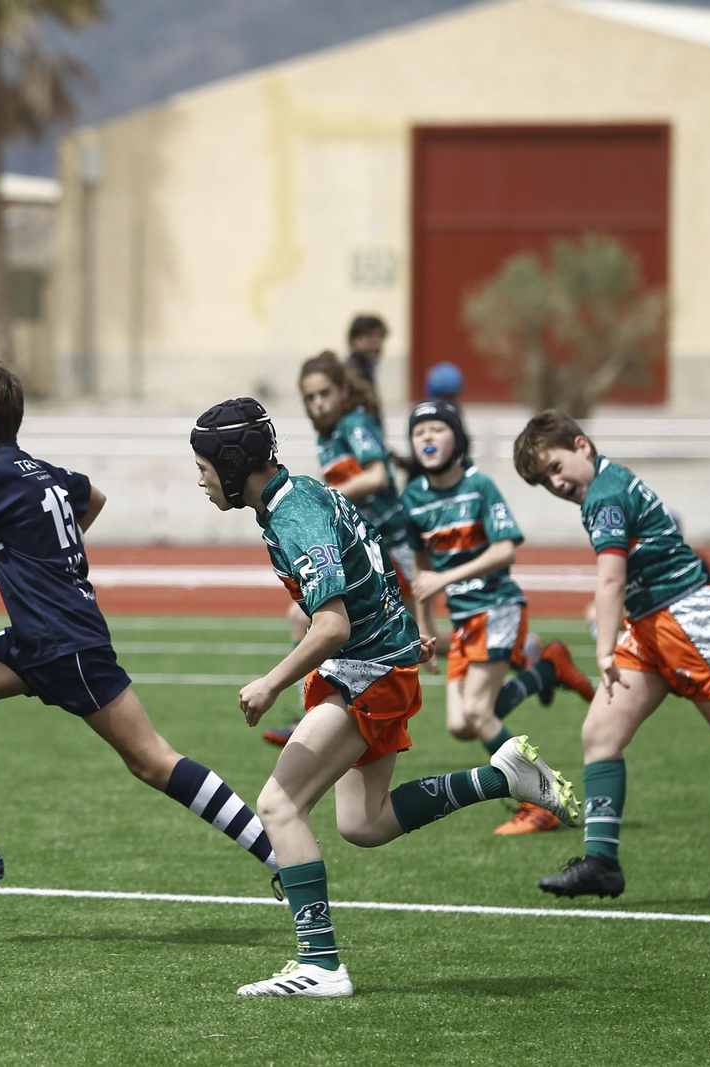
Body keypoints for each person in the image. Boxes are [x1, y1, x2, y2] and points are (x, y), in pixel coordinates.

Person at [191, 397, 579, 997]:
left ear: (234, 462)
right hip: (378, 665)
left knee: (278, 806)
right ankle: (502, 778)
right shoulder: (304, 494)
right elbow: (374, 561)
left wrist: (272, 683)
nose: (200, 479)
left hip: (365, 672)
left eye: (205, 466)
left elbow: (331, 626)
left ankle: (320, 963)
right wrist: (403, 630)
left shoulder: (295, 515)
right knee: (363, 824)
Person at [0, 353, 280, 896]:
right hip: (36, 639)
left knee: (152, 760)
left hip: (66, 645)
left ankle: (280, 857)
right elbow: (92, 497)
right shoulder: (30, 466)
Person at [513, 410, 710, 898]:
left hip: (683, 620)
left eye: (554, 468)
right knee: (599, 733)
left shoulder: (604, 495)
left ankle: (601, 862)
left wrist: (602, 648)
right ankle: (601, 864)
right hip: (650, 624)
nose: (553, 484)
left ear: (581, 445)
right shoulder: (605, 485)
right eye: (542, 481)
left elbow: (611, 579)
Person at [400, 400, 595, 835]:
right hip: (462, 619)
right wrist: (426, 629)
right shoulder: (412, 498)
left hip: (497, 606)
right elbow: (420, 570)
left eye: (437, 429)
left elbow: (505, 549)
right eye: (418, 432)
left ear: (458, 438)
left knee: (477, 712)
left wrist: (445, 576)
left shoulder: (480, 486)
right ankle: (546, 669)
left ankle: (540, 799)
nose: (427, 438)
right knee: (459, 724)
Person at [265, 352, 418, 748]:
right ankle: (315, 717)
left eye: (325, 394)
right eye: (310, 397)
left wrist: (326, 498)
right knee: (306, 621)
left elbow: (379, 475)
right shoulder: (328, 434)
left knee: (419, 641)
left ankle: (527, 655)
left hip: (386, 546)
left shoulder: (354, 423)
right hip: (362, 550)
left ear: (344, 391)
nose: (318, 404)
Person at [345, 314, 388, 386]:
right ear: (354, 340)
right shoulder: (351, 373)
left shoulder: (368, 367)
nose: (376, 343)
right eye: (369, 336)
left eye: (380, 337)